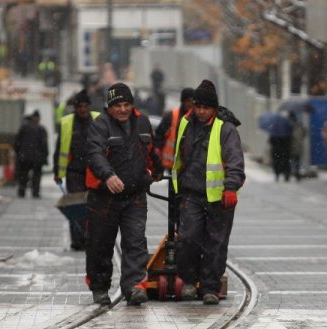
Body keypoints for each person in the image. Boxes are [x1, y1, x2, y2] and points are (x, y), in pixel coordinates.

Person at [84, 82, 163, 306]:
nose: (122, 109)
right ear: (109, 106)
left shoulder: (143, 122)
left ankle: (135, 285)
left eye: (127, 104)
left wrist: (157, 169)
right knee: (100, 244)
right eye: (118, 105)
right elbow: (94, 154)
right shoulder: (100, 126)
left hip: (134, 195)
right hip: (104, 197)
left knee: (135, 241)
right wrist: (108, 176)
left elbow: (149, 150)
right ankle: (99, 287)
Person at [171, 79, 245, 305]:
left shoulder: (226, 129)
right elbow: (179, 156)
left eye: (206, 108)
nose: (201, 112)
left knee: (216, 243)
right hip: (191, 194)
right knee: (187, 239)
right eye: (198, 107)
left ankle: (211, 287)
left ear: (214, 108)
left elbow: (235, 161)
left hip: (219, 197)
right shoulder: (185, 123)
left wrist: (231, 187)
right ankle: (190, 281)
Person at [53, 90, 100, 251]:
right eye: (80, 106)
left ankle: (91, 238)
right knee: (76, 207)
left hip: (94, 172)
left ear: (89, 106)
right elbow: (59, 149)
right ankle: (78, 240)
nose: (83, 109)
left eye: (85, 106)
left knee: (93, 208)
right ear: (75, 107)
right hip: (74, 172)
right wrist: (57, 173)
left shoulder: (98, 120)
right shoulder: (67, 123)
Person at [155, 88, 194, 170]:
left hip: (189, 167)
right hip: (171, 165)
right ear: (183, 101)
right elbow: (159, 135)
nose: (190, 104)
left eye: (192, 101)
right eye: (188, 101)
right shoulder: (172, 116)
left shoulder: (198, 118)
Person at [14, 110, 48, 198]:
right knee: (36, 176)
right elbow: (44, 144)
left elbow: (17, 142)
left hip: (24, 157)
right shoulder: (41, 129)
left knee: (23, 175)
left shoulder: (24, 127)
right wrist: (45, 156)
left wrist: (18, 153)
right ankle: (35, 192)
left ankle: (22, 191)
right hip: (37, 157)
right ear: (38, 118)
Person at [289, 111, 306, 181]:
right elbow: (304, 134)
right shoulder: (300, 125)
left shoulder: (289, 126)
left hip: (292, 145)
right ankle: (297, 173)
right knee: (297, 160)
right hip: (299, 145)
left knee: (292, 160)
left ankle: (292, 172)